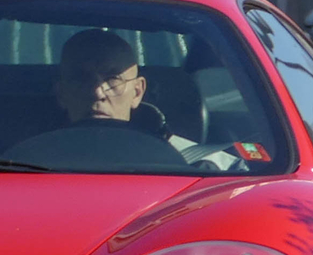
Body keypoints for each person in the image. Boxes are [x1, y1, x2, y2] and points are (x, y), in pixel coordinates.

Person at [49, 29, 237, 170]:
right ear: (61, 94)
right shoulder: (25, 163)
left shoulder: (205, 167)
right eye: (81, 79)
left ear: (137, 92)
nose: (97, 92)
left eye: (113, 79)